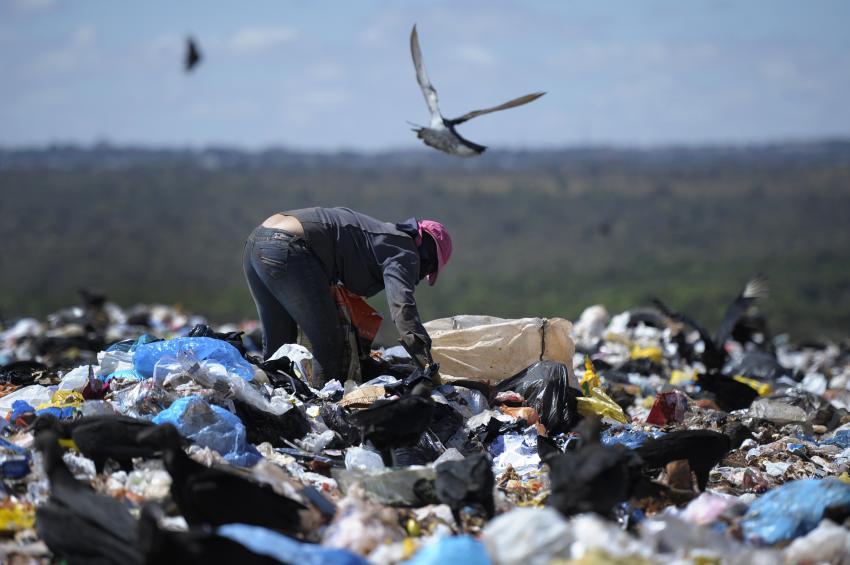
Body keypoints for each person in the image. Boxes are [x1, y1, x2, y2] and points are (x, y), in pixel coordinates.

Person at [242, 207, 452, 385]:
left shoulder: (382, 237)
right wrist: (427, 366)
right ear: (427, 255)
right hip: (286, 246)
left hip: (256, 243)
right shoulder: (405, 252)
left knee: (279, 346)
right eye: (428, 270)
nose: (420, 277)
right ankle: (324, 405)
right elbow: (403, 311)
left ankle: (270, 397)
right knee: (330, 342)